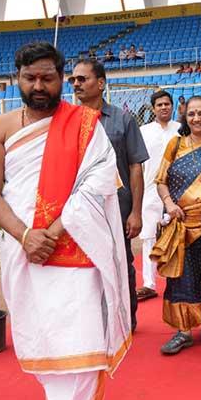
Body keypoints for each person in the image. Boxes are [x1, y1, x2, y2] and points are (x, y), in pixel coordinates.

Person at [0, 42, 132, 400]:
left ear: (62, 77)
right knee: (43, 336)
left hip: (75, 248)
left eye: (48, 78)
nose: (39, 86)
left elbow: (98, 183)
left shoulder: (86, 123)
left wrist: (53, 230)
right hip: (23, 251)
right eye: (30, 78)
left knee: (80, 336)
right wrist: (26, 235)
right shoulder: (1, 127)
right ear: (18, 79)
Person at [71, 59, 148, 331]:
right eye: (73, 80)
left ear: (101, 83)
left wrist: (136, 212)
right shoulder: (67, 121)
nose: (76, 84)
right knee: (84, 265)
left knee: (120, 263)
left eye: (82, 79)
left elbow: (135, 166)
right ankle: (91, 321)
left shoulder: (123, 119)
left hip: (118, 207)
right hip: (79, 209)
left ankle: (125, 319)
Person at [154, 96, 201, 354]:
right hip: (180, 222)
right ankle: (183, 331)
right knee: (181, 276)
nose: (196, 119)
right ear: (185, 116)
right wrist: (170, 205)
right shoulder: (176, 144)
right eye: (191, 114)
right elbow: (161, 180)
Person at [138, 90, 181, 300]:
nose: (164, 107)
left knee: (177, 234)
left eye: (167, 104)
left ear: (172, 106)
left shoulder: (181, 130)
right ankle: (149, 283)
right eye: (160, 105)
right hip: (150, 189)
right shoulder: (144, 131)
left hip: (178, 190)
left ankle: (178, 281)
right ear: (153, 108)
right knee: (148, 236)